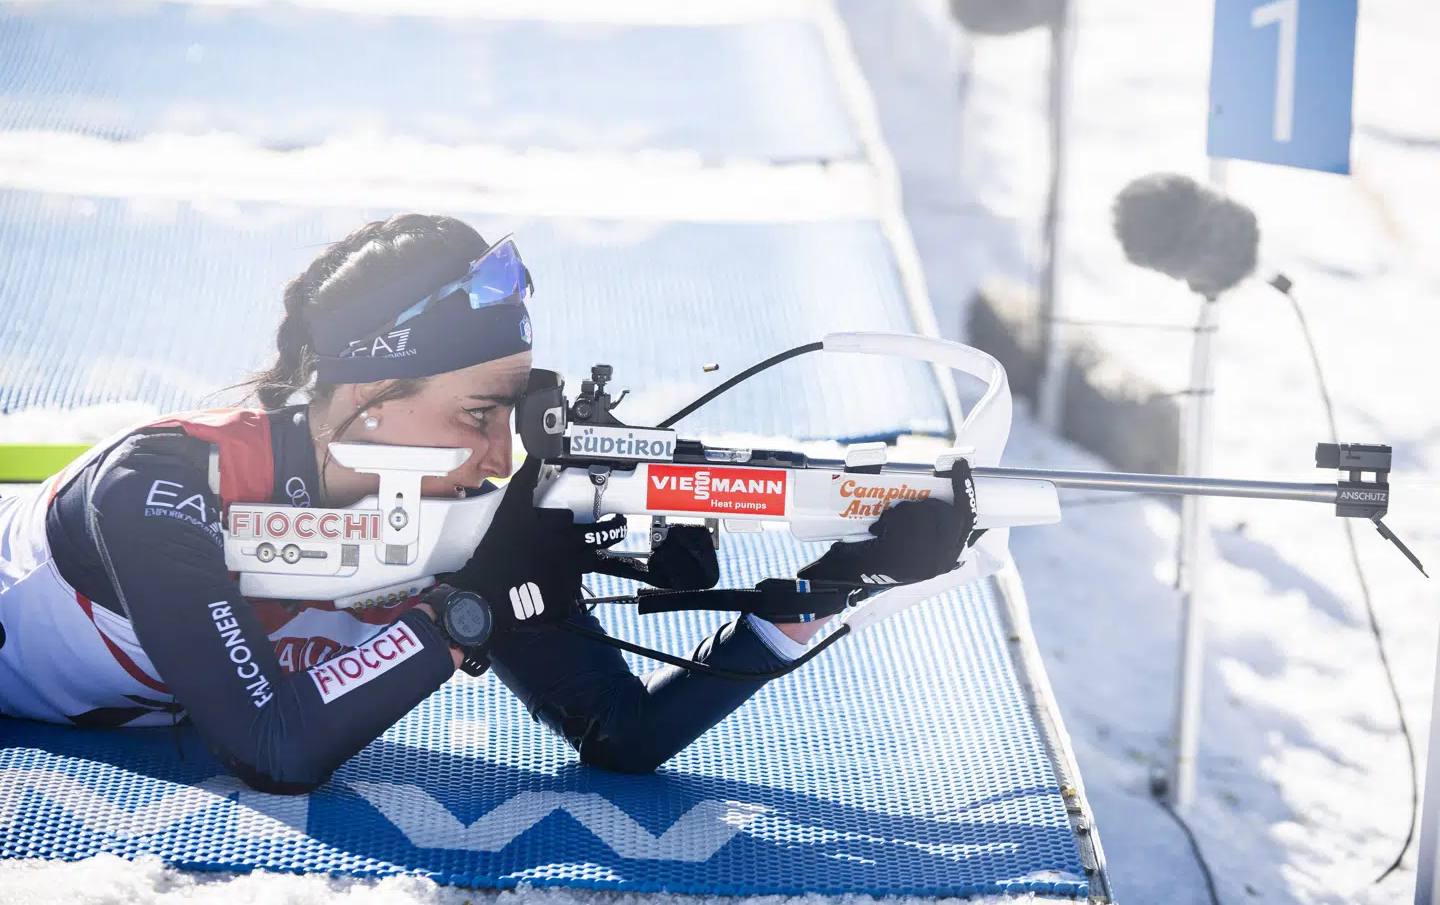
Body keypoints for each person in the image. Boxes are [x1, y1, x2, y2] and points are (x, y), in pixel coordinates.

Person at [0, 214, 973, 794]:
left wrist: (825, 588)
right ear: (363, 398)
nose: (499, 454)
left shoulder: (450, 512)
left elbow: (620, 735)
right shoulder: (163, 487)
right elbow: (275, 746)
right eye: (477, 413)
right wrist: (464, 609)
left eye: (510, 412)